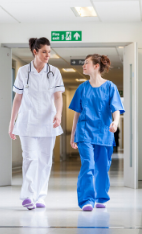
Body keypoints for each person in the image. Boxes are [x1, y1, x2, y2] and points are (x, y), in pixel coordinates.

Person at [9, 37, 65, 210]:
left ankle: (40, 196)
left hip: (48, 121)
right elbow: (17, 98)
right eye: (44, 52)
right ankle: (28, 196)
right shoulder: (23, 72)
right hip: (27, 122)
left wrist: (59, 114)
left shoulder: (54, 72)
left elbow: (57, 96)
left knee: (45, 161)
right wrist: (12, 122)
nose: (48, 55)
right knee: (30, 158)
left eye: (49, 51)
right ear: (35, 52)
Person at [69, 54, 125, 211]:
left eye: (86, 63)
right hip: (84, 132)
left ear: (96, 66)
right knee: (88, 164)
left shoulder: (110, 87)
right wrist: (73, 134)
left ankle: (101, 197)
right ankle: (86, 200)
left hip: (104, 132)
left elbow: (116, 110)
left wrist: (115, 122)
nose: (83, 66)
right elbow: (77, 114)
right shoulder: (82, 88)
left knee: (102, 167)